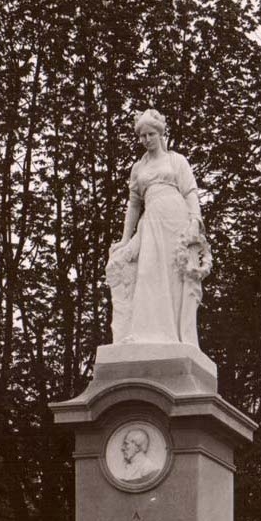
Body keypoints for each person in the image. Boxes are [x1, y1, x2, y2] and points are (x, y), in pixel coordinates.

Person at [105, 109, 212, 346]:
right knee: (146, 274)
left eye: (150, 134)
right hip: (151, 222)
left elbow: (190, 192)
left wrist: (195, 220)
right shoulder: (138, 168)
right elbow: (134, 205)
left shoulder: (176, 160)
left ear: (160, 133)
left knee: (173, 277)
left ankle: (172, 336)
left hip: (176, 219)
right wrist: (125, 239)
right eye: (142, 136)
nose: (146, 140)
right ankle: (146, 334)